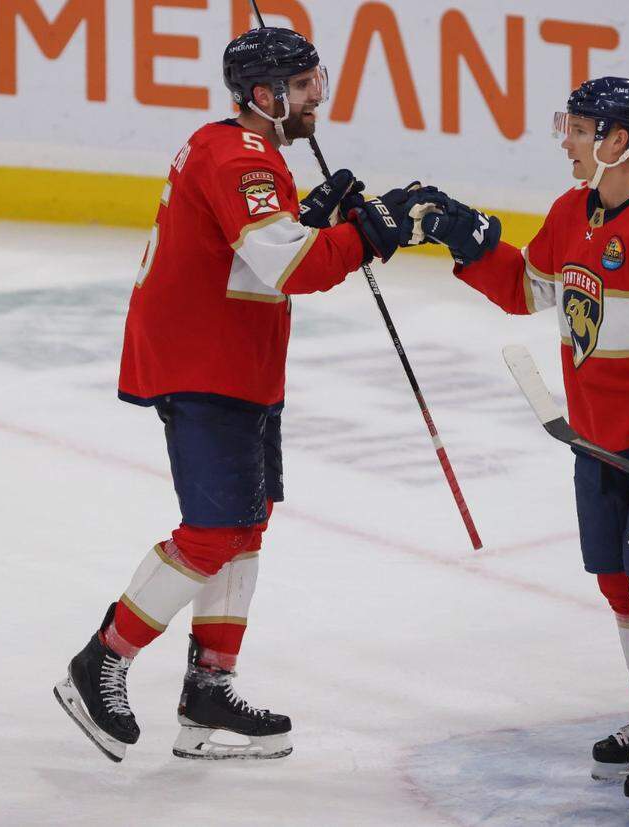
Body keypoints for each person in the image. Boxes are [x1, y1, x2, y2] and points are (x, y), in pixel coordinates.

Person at [53, 26, 421, 762]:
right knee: (216, 529)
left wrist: (317, 215)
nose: (318, 95)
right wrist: (368, 235)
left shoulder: (247, 153)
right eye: (305, 84)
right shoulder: (240, 156)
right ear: (264, 95)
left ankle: (208, 693)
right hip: (207, 363)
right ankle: (101, 661)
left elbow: (253, 251)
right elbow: (290, 268)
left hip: (238, 361)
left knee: (245, 524)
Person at [405, 78, 629, 821]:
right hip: (600, 443)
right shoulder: (572, 212)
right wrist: (465, 237)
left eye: (579, 127)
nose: (566, 137)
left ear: (618, 140)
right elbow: (529, 292)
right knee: (619, 588)